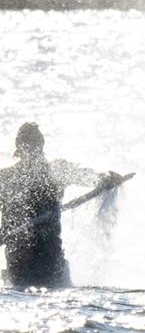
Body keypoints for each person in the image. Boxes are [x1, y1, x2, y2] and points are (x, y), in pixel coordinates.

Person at [0, 123, 104, 287]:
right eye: (29, 145)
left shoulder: (56, 171)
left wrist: (105, 179)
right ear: (20, 148)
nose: (32, 151)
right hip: (21, 264)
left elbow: (90, 177)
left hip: (48, 260)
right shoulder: (5, 179)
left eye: (34, 145)